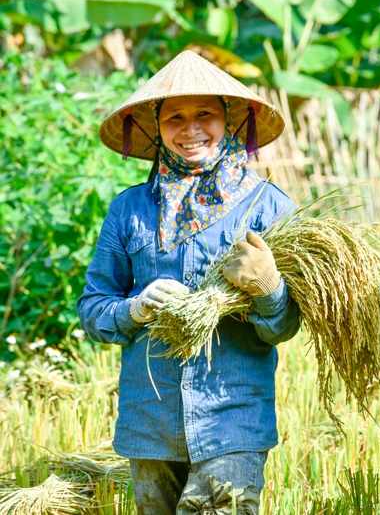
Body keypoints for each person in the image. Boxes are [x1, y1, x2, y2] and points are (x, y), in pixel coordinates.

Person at [78, 50, 300, 514]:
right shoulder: (129, 209)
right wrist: (134, 308)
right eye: (175, 117)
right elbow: (94, 308)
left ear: (231, 120)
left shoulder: (266, 207)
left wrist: (268, 290)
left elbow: (282, 328)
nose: (191, 129)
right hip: (150, 425)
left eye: (205, 115)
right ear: (156, 127)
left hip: (232, 421)